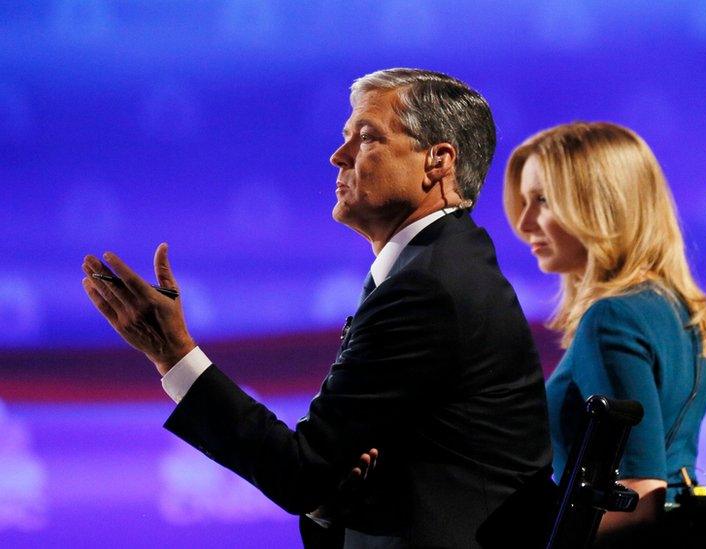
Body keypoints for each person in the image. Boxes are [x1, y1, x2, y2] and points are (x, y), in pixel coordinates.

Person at [81, 68, 552, 548]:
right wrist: (329, 493)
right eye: (345, 136)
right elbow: (330, 481)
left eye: (366, 137)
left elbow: (302, 473)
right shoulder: (441, 263)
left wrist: (174, 354)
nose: (338, 156)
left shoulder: (427, 287)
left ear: (437, 161)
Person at [503, 122, 706, 545]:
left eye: (543, 200)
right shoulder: (673, 307)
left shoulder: (611, 317)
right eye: (524, 202)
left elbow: (639, 496)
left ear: (601, 203)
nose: (525, 223)